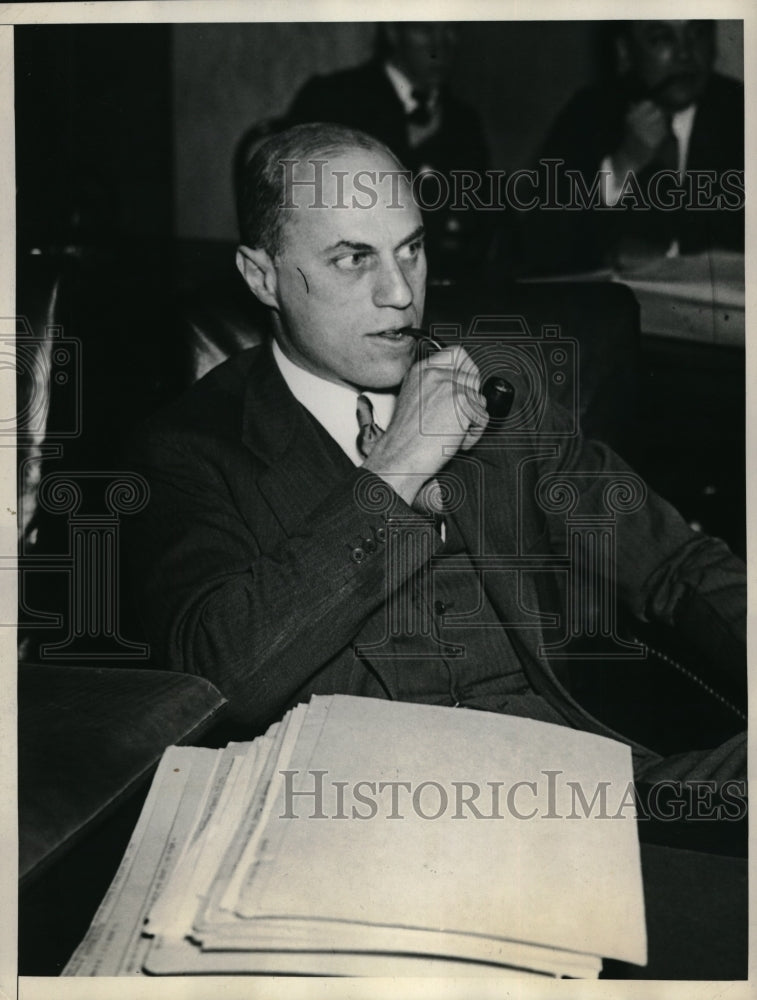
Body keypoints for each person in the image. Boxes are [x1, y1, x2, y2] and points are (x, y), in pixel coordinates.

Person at [125, 123, 745, 788]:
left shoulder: (502, 390)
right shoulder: (191, 449)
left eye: (410, 251)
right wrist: (393, 469)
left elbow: (676, 567)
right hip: (355, 818)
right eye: (352, 259)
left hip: (586, 795)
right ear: (262, 276)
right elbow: (220, 679)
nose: (399, 292)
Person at [527, 19, 744, 274]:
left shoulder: (742, 111)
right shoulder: (588, 115)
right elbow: (543, 245)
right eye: (662, 38)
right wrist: (624, 163)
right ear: (625, 52)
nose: (685, 54)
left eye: (697, 34)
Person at [285, 23, 494, 281]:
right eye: (425, 30)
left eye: (451, 29)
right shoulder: (332, 99)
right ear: (393, 33)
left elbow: (479, 228)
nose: (440, 45)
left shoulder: (465, 121)